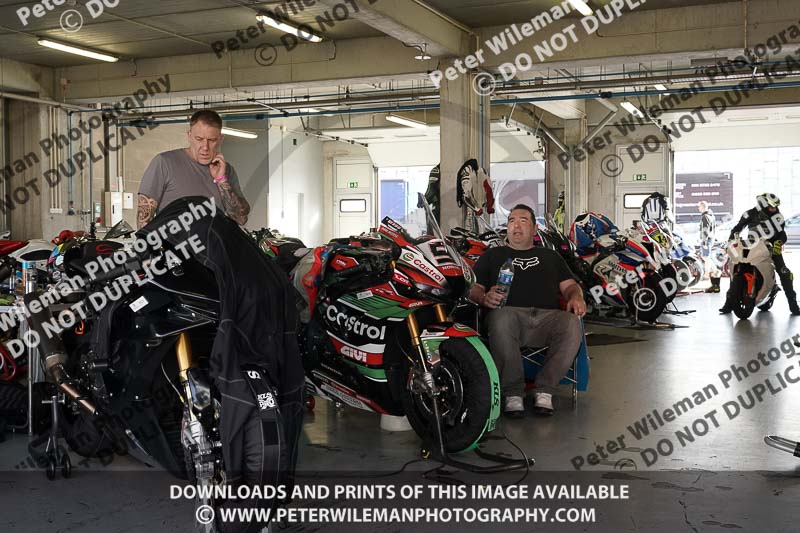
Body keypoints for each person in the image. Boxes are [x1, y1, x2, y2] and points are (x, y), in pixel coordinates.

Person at [469, 204, 586, 418]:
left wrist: (576, 297)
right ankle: (513, 393)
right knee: (502, 318)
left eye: (523, 221)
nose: (516, 225)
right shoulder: (493, 255)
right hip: (508, 317)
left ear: (534, 229)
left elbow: (570, 286)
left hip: (547, 319)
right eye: (511, 221)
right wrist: (483, 297)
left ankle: (545, 389)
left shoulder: (550, 256)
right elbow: (474, 289)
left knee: (571, 323)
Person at [137, 109, 250, 229]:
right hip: (173, 240)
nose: (205, 147)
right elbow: (144, 222)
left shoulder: (227, 170)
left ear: (220, 139)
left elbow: (241, 219)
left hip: (213, 241)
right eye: (199, 139)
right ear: (189, 136)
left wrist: (221, 180)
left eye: (211, 140)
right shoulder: (164, 163)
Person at [719, 193, 800, 315]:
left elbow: (782, 234)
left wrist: (778, 243)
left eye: (776, 206)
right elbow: (737, 228)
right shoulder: (750, 213)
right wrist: (731, 241)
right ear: (763, 204)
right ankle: (729, 303)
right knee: (736, 268)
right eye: (771, 206)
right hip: (752, 245)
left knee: (785, 273)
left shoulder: (778, 217)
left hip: (771, 247)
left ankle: (793, 305)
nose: (774, 209)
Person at [697, 201, 720, 293]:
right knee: (706, 257)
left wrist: (704, 242)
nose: (698, 208)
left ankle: (709, 273)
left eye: (699, 207)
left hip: (707, 239)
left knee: (705, 256)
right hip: (711, 238)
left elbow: (705, 230)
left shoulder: (705, 217)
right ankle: (713, 271)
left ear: (703, 207)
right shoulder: (711, 215)